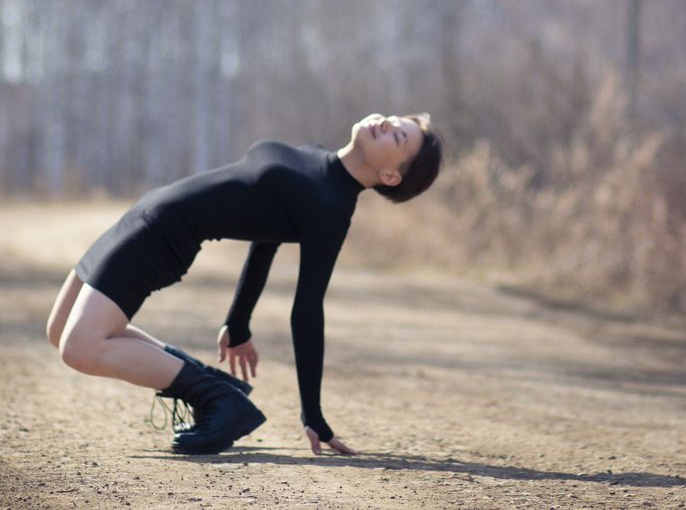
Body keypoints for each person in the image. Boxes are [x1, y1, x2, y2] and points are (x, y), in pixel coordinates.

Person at [46, 112, 443, 455]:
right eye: (393, 119)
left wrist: (314, 414)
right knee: (60, 330)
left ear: (391, 175)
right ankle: (214, 384)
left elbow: (307, 309)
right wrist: (238, 323)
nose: (386, 123)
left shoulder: (331, 209)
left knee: (80, 348)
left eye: (398, 135)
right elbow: (265, 239)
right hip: (145, 214)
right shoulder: (313, 155)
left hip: (165, 236)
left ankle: (217, 399)